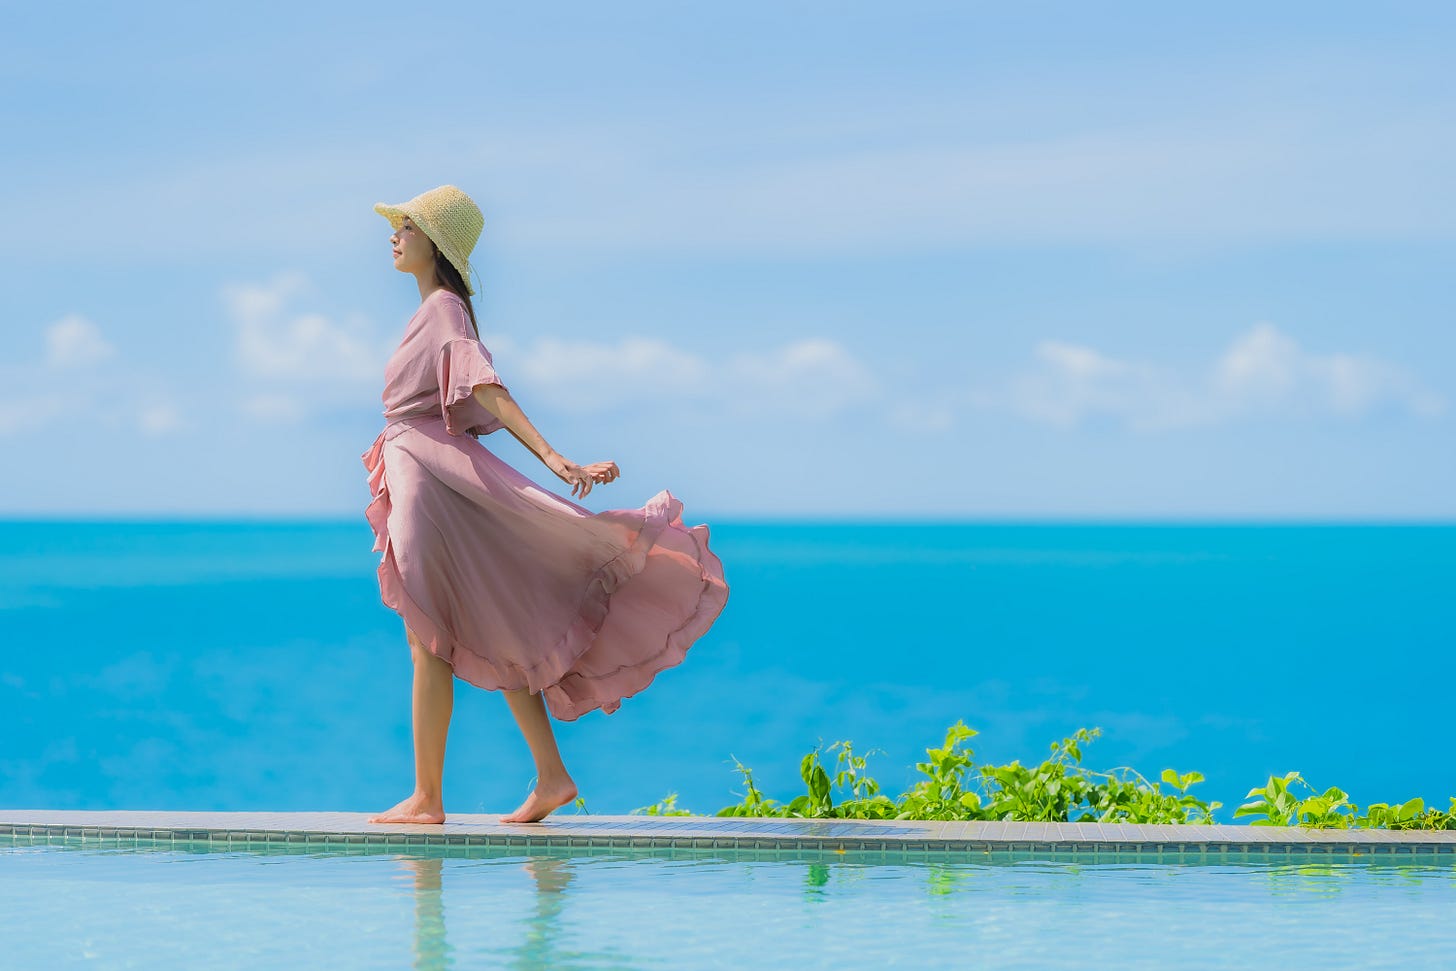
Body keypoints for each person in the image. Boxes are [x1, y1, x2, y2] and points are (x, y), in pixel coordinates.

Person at [361, 185, 729, 825]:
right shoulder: (433, 312)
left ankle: (428, 799)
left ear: (435, 244)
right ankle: (551, 777)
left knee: (429, 637)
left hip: (430, 481)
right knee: (492, 627)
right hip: (429, 473)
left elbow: (486, 390)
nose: (394, 235)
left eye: (408, 226)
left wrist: (556, 460)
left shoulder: (445, 308)